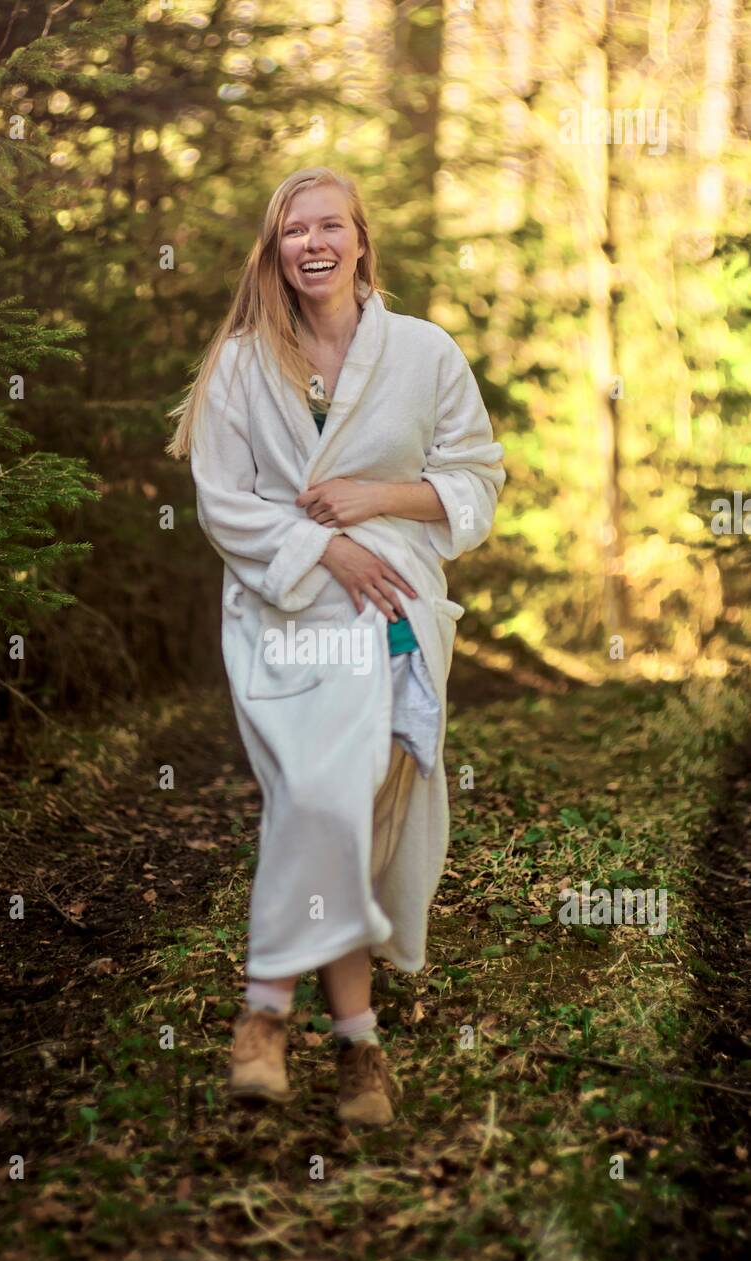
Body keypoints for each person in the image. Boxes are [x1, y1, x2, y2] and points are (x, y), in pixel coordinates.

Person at [167, 166, 505, 1127]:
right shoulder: (240, 362)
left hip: (385, 612)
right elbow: (225, 506)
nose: (311, 243)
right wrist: (325, 545)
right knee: (320, 802)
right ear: (272, 252)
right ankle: (347, 1045)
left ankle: (277, 1026)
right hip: (281, 615)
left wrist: (377, 502)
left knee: (336, 809)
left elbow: (475, 479)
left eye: (328, 226)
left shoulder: (423, 352)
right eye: (290, 231)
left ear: (361, 238)